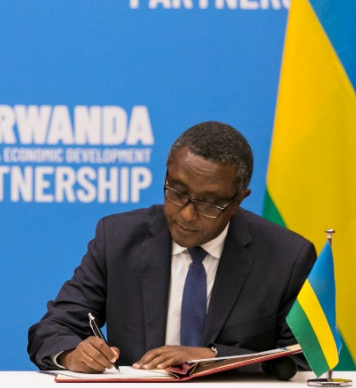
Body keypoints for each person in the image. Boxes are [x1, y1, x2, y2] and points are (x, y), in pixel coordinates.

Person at [27, 121, 316, 373]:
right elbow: (52, 330)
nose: (186, 214)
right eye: (177, 192)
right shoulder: (117, 239)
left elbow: (304, 360)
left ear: (238, 200)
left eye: (208, 203)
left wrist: (216, 358)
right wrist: (72, 355)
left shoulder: (286, 257)